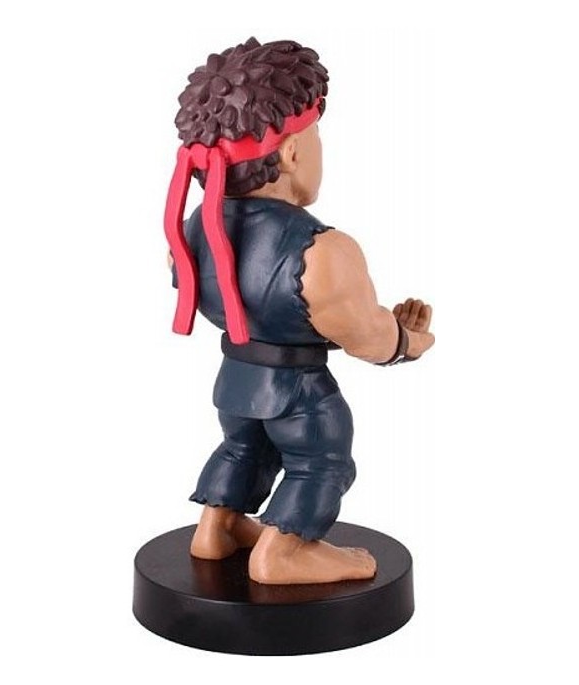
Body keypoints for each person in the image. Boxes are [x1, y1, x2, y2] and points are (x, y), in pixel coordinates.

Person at [165, 37, 434, 585]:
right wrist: (407, 341)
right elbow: (367, 338)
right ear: (291, 153)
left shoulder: (190, 231)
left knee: (243, 447)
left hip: (235, 381)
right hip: (299, 392)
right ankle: (282, 555)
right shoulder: (324, 252)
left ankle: (216, 528)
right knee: (320, 463)